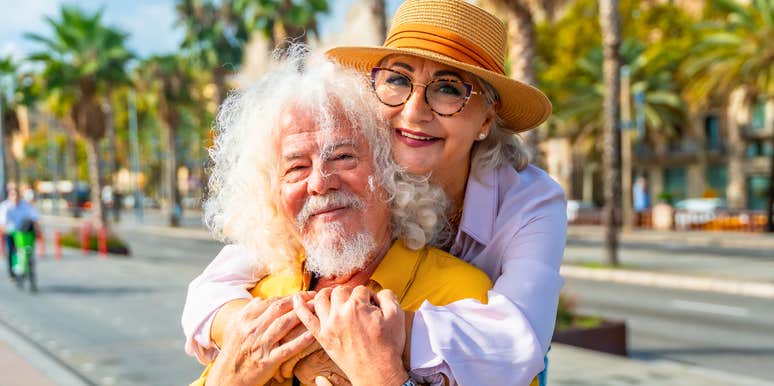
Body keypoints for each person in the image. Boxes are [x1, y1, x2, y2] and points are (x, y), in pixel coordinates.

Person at [182, 1, 567, 385]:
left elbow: (518, 341)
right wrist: (259, 332)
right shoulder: (362, 155)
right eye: (397, 80)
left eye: (449, 89)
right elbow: (216, 284)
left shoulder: (530, 202)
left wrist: (362, 335)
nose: (413, 112)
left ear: (486, 118)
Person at [190, 55, 494, 385]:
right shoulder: (257, 297)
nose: (320, 183)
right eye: (296, 168)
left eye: (343, 157)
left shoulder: (466, 297)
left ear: (390, 172)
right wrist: (231, 377)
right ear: (272, 193)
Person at [0, 183, 40, 280]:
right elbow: (3, 222)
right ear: (9, 196)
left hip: (23, 233)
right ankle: (12, 272)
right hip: (11, 232)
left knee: (28, 250)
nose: (15, 197)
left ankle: (27, 269)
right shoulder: (5, 206)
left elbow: (34, 217)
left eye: (16, 195)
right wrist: (5, 229)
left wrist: (37, 228)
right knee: (11, 251)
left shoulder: (25, 205)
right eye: (13, 195)